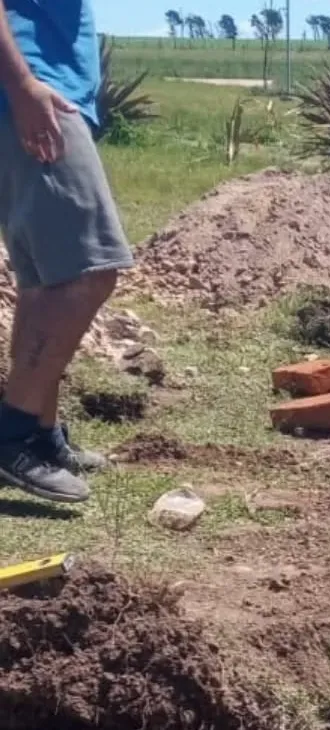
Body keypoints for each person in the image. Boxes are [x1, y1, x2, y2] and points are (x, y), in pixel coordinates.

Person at [0, 0, 133, 503]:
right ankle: (12, 433)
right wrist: (22, 87)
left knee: (47, 280)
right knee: (89, 271)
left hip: (37, 87)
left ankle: (40, 432)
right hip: (30, 87)